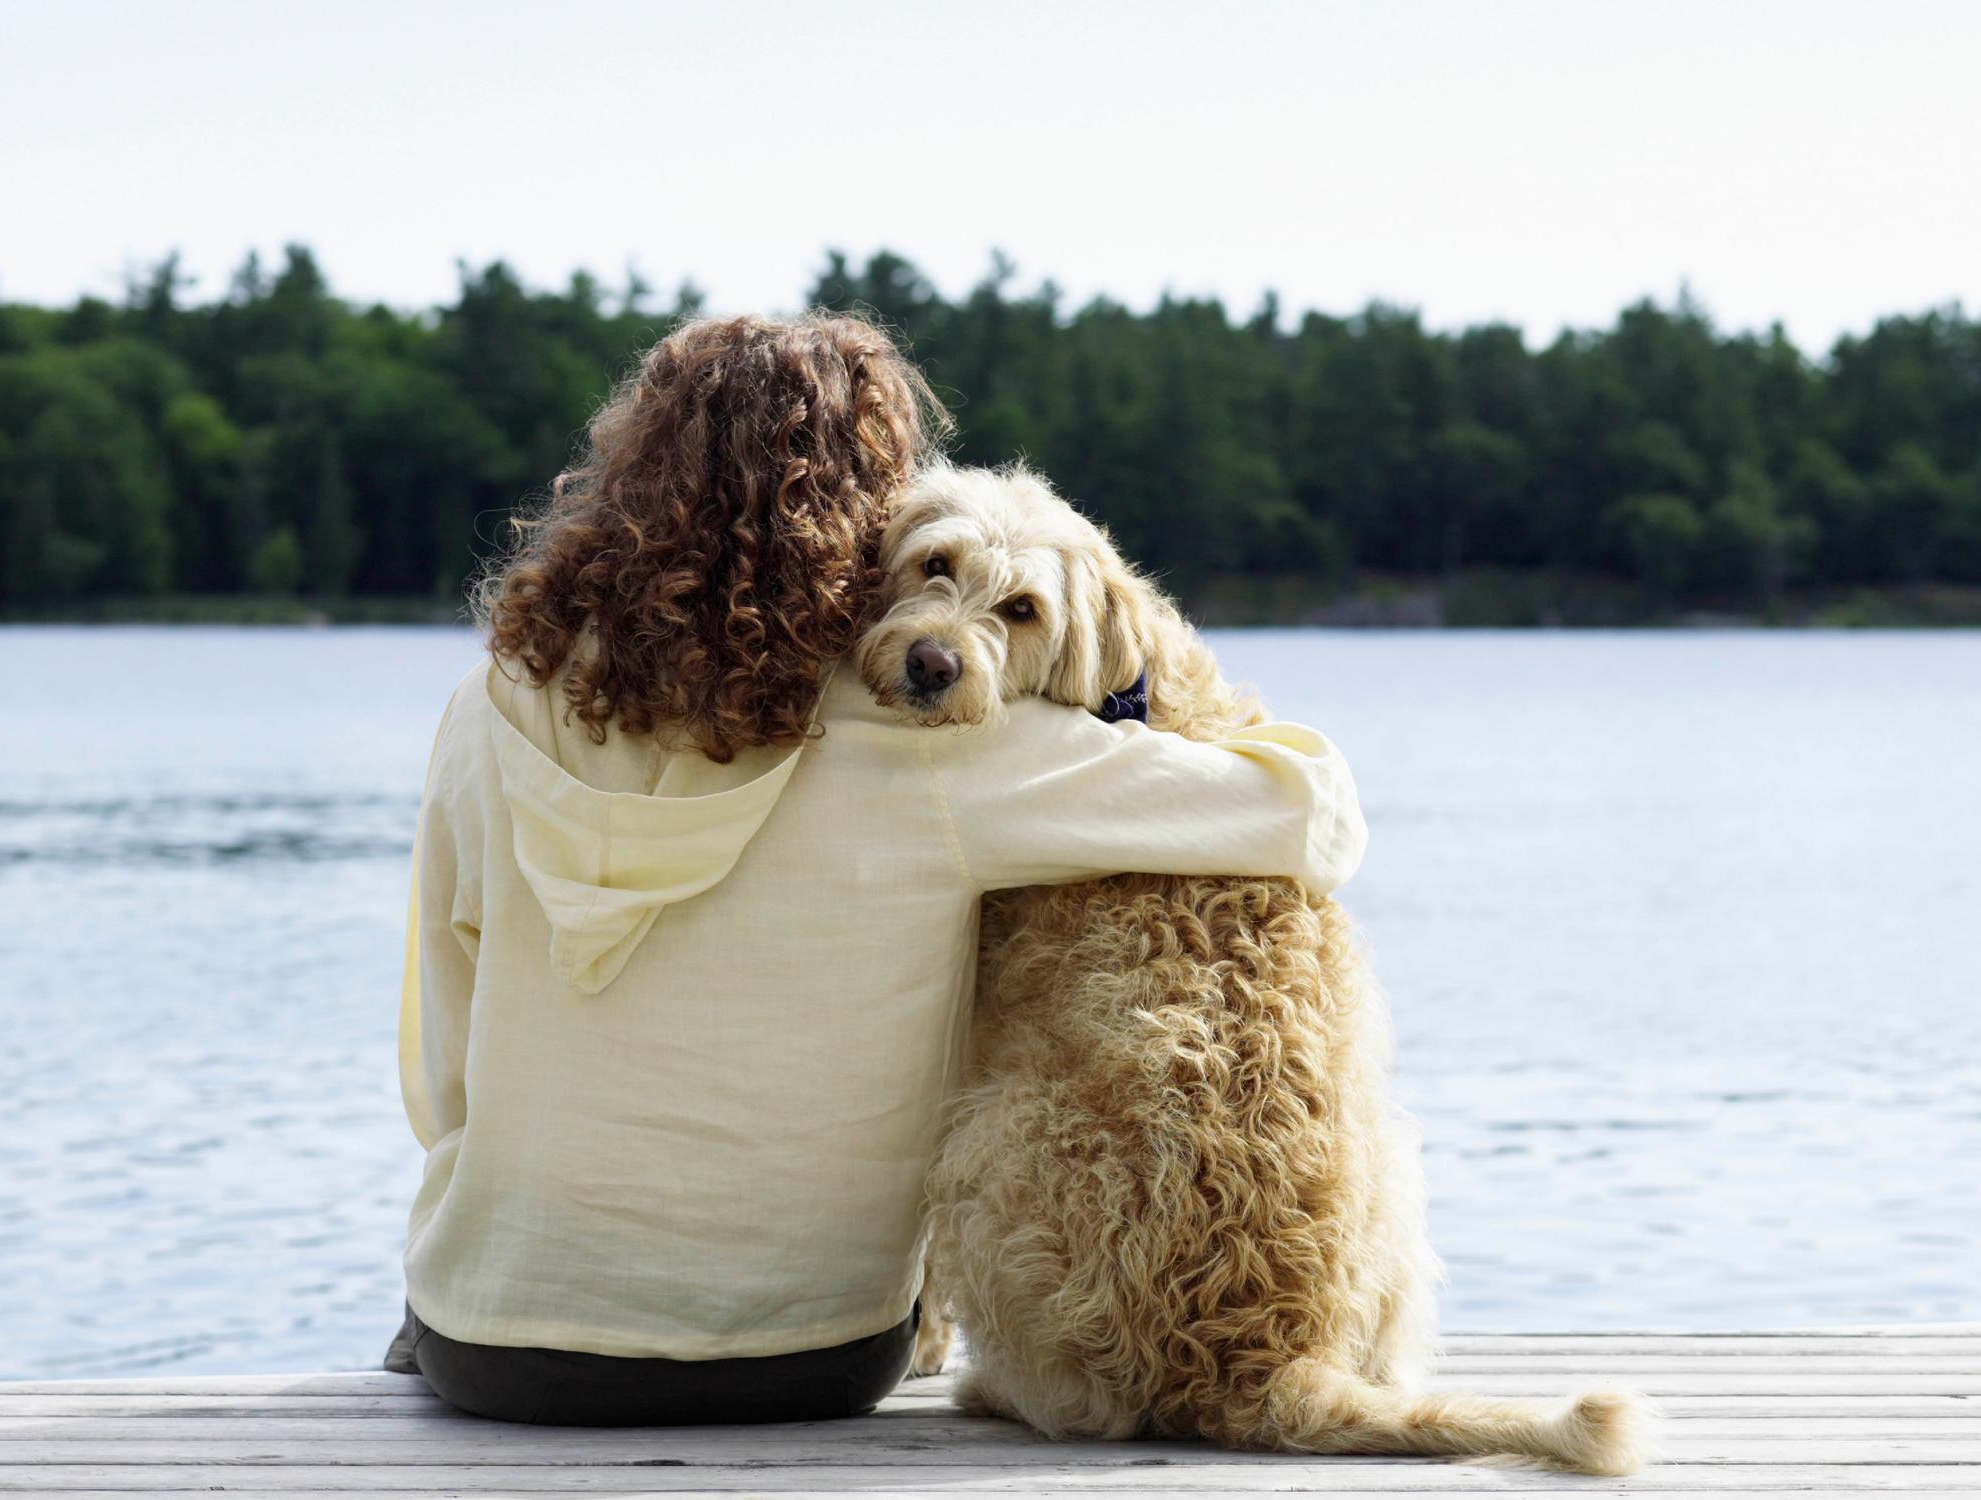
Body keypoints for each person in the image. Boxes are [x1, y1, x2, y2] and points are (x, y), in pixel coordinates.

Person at [387, 312, 1366, 1425]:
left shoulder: (488, 706)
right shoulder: (938, 746)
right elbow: (1313, 816)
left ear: (624, 477)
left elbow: (442, 1066)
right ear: (863, 518)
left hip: (495, 1348)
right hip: (808, 1355)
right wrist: (1140, 683)